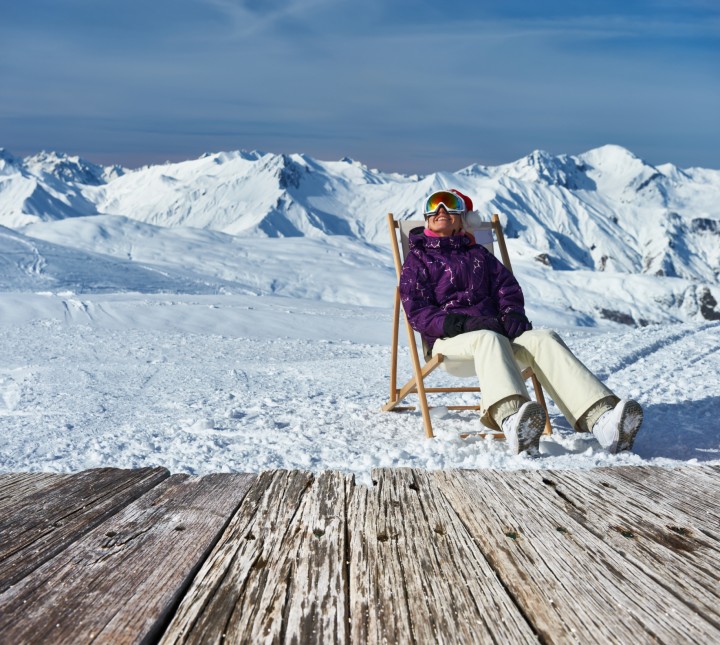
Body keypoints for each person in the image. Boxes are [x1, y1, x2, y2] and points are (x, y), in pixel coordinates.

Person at [399, 189, 644, 455]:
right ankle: (512, 419)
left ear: (463, 219)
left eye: (451, 205)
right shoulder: (418, 259)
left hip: (497, 336)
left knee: (543, 338)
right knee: (487, 338)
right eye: (434, 204)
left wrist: (512, 313)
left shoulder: (479, 255)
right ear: (426, 217)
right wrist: (460, 324)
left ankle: (602, 421)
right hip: (451, 343)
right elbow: (418, 312)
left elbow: (507, 289)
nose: (441, 210)